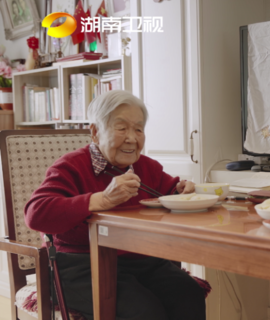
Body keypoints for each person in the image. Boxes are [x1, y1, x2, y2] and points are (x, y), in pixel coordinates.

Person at [25, 90, 207, 320]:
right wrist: (103, 199)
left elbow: (170, 190)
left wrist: (182, 192)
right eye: (121, 128)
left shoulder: (147, 167)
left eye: (138, 129)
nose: (132, 138)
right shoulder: (70, 166)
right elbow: (36, 213)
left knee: (188, 295)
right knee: (143, 311)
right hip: (81, 267)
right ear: (95, 132)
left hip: (141, 260)